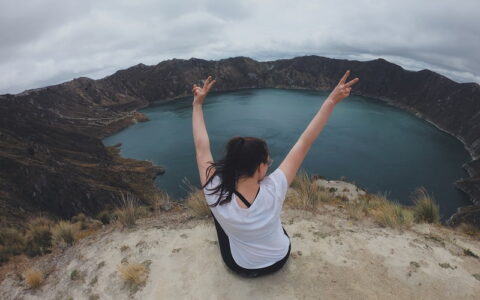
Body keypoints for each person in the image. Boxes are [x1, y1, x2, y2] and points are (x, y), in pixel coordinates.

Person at [191, 71, 359, 278]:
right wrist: (331, 101)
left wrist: (197, 105)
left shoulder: (214, 192)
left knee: (219, 220)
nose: (269, 165)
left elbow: (201, 147)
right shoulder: (275, 187)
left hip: (242, 267)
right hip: (280, 258)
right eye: (267, 162)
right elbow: (304, 142)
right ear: (259, 167)